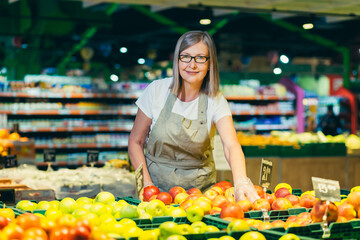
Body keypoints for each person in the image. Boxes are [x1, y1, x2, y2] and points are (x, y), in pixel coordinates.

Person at [128, 30, 259, 203]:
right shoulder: (156, 90)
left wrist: (241, 180)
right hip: (156, 192)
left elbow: (230, 145)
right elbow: (135, 142)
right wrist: (146, 184)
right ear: (177, 60)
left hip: (200, 197)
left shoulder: (216, 100)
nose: (192, 65)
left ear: (210, 63)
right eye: (186, 57)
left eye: (200, 58)